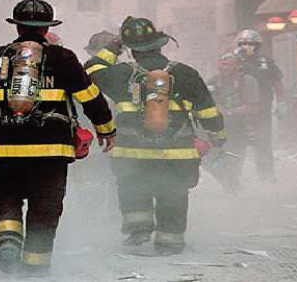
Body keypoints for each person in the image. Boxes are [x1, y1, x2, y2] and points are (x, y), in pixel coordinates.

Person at [0, 0, 116, 276]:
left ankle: (8, 240)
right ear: (47, 27)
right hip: (52, 151)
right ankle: (35, 268)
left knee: (6, 198)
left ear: (17, 26)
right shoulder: (63, 58)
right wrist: (105, 128)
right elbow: (89, 97)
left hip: (6, 148)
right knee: (45, 207)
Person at [87, 16, 224, 254]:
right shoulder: (185, 73)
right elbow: (207, 110)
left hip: (132, 152)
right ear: (160, 45)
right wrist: (217, 134)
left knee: (133, 187)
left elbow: (91, 70)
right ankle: (170, 241)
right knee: (174, 193)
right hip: (177, 151)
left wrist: (113, 47)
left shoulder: (119, 74)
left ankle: (138, 230)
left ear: (131, 50)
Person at [232, 29, 284, 180]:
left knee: (263, 142)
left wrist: (281, 103)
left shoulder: (266, 63)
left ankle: (266, 175)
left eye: (251, 44)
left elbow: (277, 84)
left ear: (258, 45)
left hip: (261, 108)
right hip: (238, 109)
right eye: (244, 43)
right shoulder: (232, 61)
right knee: (236, 142)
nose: (248, 46)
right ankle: (233, 175)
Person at [207, 52, 260, 193]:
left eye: (228, 64)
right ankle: (228, 181)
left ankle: (232, 185)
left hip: (239, 127)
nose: (224, 67)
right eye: (222, 63)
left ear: (237, 66)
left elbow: (253, 107)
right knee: (207, 157)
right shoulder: (213, 81)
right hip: (215, 128)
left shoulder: (248, 81)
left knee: (235, 158)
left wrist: (229, 112)